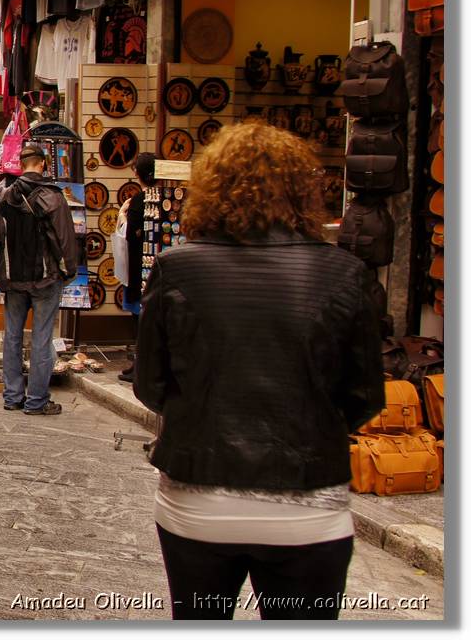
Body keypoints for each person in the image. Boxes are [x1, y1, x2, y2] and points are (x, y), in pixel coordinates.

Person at [134, 121, 385, 620]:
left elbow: (151, 384)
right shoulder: (344, 273)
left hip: (199, 499)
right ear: (302, 191)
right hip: (307, 505)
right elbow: (364, 394)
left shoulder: (178, 268)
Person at [0, 143, 81, 416]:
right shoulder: (53, 196)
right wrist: (69, 271)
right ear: (42, 163)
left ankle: (12, 396)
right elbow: (64, 240)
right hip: (45, 279)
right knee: (41, 339)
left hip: (14, 279)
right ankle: (37, 400)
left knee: (12, 337)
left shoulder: (5, 197)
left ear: (21, 163)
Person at [117, 152, 157, 383]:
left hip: (137, 267)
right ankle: (141, 364)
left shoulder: (138, 202)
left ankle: (140, 366)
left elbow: (127, 235)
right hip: (155, 267)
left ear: (137, 173)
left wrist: (122, 214)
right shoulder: (163, 198)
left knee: (139, 319)